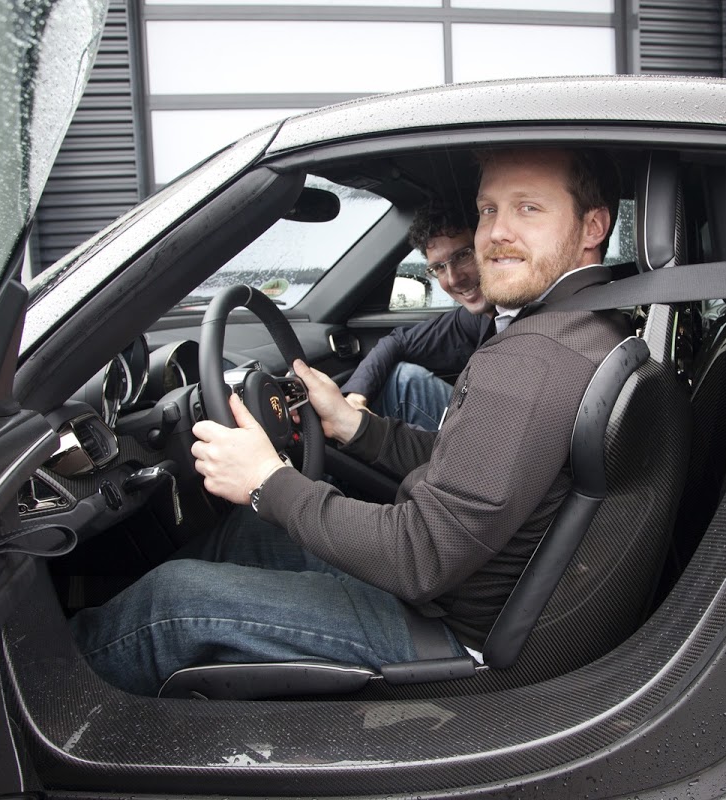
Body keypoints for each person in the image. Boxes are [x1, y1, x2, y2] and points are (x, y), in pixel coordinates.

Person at [70, 147, 627, 696]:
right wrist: (354, 426)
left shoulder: (530, 363)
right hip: (461, 586)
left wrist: (266, 482)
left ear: (592, 227)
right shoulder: (574, 328)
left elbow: (420, 557)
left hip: (449, 630)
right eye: (488, 210)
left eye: (528, 208)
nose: (497, 232)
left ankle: (59, 689)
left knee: (171, 602)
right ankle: (102, 620)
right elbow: (465, 467)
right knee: (251, 533)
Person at [341, 205, 493, 430]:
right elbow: (398, 341)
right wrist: (356, 397)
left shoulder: (525, 319)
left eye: (463, 256)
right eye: (439, 267)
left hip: (494, 441)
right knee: (403, 379)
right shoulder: (477, 318)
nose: (453, 279)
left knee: (402, 383)